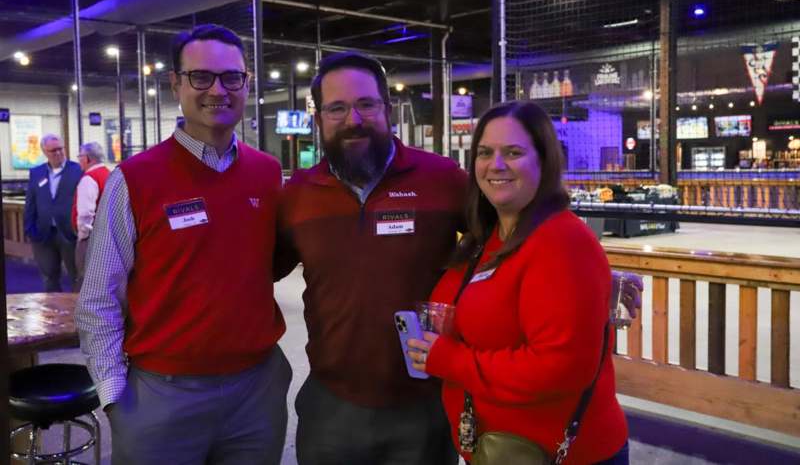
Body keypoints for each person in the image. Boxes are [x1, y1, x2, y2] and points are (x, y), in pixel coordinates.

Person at [277, 53, 640, 465]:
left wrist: (596, 278)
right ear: (319, 116)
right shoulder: (297, 195)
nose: (352, 119)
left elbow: (530, 236)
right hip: (333, 402)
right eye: (336, 108)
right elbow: (254, 269)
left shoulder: (441, 179)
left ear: (387, 109)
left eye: (366, 104)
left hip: (426, 403)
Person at [75, 24, 291, 465]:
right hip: (161, 395)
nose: (218, 89)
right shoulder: (134, 179)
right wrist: (117, 400)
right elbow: (99, 297)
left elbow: (265, 264)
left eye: (232, 77)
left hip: (256, 390)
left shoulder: (268, 174)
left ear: (247, 83)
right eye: (201, 77)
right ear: (175, 83)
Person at [408, 101, 629, 464]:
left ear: (544, 161)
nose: (495, 165)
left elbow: (560, 368)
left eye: (513, 152)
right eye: (485, 152)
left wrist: (449, 359)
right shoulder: (488, 237)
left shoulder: (562, 241)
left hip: (560, 454)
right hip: (498, 450)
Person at [24, 133, 82, 291]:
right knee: (49, 277)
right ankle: (53, 313)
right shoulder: (36, 173)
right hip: (43, 234)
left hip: (70, 233)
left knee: (76, 276)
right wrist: (30, 230)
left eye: (60, 149)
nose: (58, 153)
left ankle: (78, 313)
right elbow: (31, 202)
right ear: (44, 152)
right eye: (53, 150)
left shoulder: (77, 170)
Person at [72, 141, 110, 289]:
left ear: (88, 158)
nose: (79, 160)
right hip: (107, 235)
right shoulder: (109, 174)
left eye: (80, 156)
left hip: (91, 238)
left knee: (86, 278)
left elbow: (86, 213)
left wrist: (83, 236)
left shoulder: (89, 178)